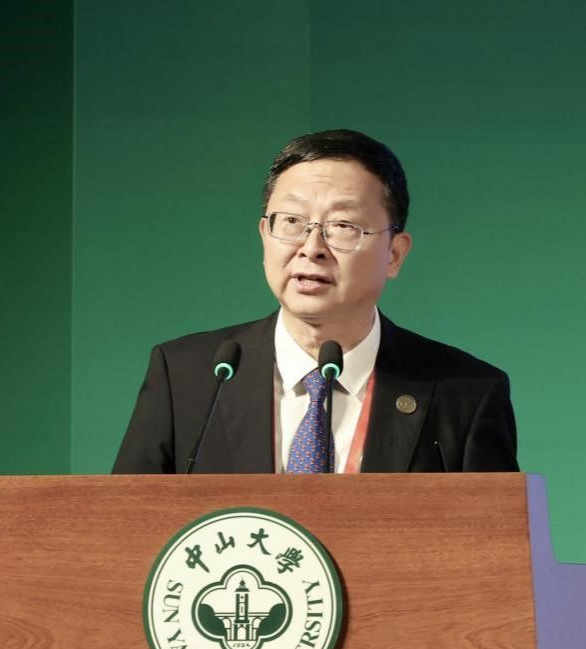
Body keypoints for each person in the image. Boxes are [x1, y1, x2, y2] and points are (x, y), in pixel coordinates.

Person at [112, 129, 518, 474]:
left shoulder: (465, 394)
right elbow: (124, 526)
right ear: (264, 235)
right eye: (291, 221)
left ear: (394, 254)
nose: (311, 248)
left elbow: (497, 541)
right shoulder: (188, 377)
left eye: (342, 225)